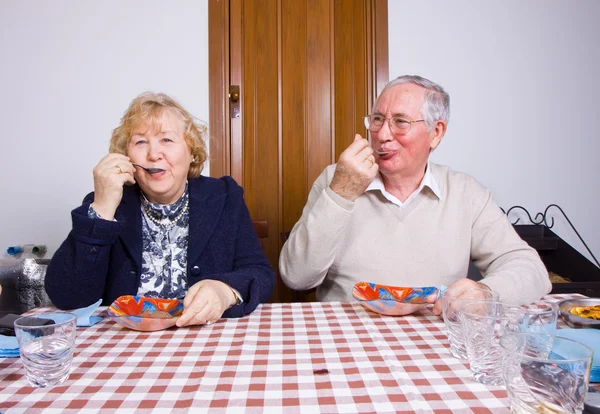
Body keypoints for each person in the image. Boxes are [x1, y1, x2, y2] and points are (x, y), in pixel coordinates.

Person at [279, 75, 550, 315]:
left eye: (400, 122)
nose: (382, 135)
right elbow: (296, 278)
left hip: (436, 344)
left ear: (436, 132)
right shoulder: (336, 179)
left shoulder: (465, 192)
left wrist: (486, 293)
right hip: (349, 337)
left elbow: (530, 269)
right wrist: (341, 194)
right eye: (377, 120)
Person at [46, 92, 275, 326]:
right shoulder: (107, 202)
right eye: (140, 142)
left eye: (166, 140)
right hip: (126, 344)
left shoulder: (225, 196)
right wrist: (102, 210)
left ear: (191, 152)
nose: (154, 154)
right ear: (126, 157)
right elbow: (68, 298)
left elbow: (260, 272)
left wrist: (225, 290)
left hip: (204, 338)